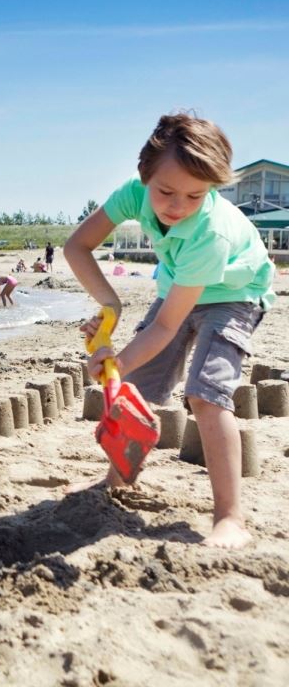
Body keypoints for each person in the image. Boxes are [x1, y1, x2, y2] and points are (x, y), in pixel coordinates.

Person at [64, 113, 275, 549]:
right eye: (165, 192)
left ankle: (230, 517)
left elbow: (165, 325)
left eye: (196, 195)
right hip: (178, 285)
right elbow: (77, 246)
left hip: (235, 293)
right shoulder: (132, 195)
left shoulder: (209, 232)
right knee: (136, 386)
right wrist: (110, 304)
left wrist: (116, 359)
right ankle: (118, 481)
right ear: (145, 177)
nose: (178, 206)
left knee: (206, 392)